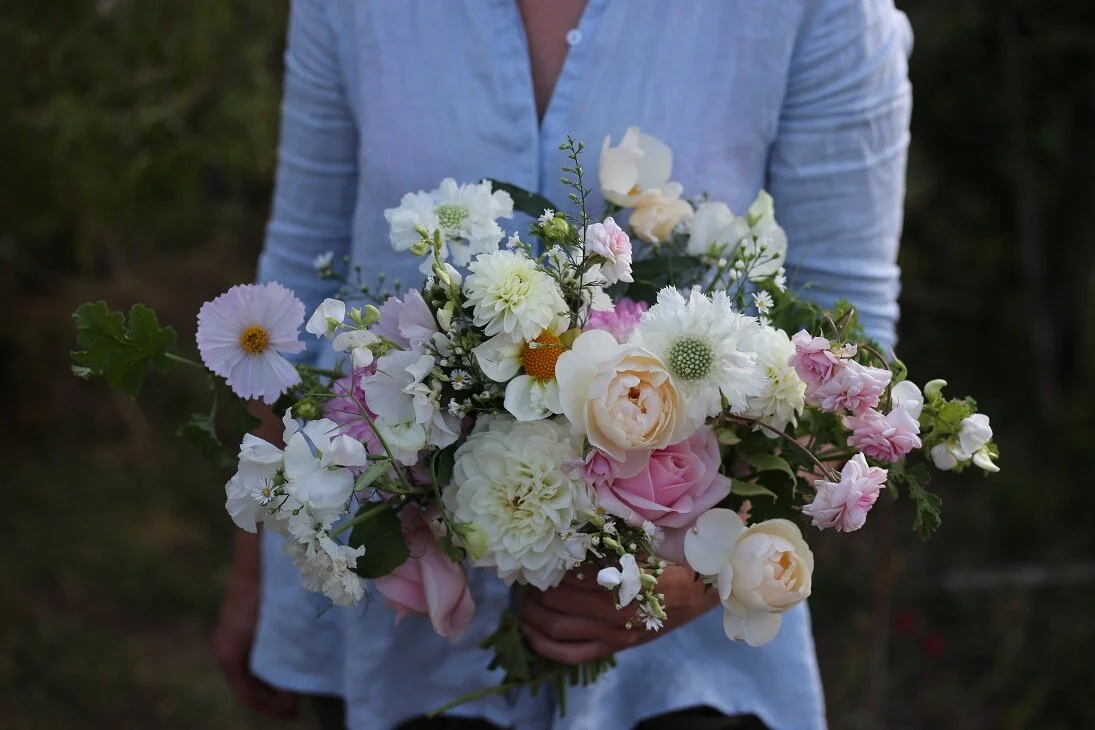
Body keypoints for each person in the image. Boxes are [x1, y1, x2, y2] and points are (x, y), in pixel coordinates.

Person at [212, 1, 913, 729]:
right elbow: (298, 281)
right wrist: (250, 567)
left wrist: (710, 568)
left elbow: (848, 332)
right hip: (396, 639)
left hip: (681, 676)